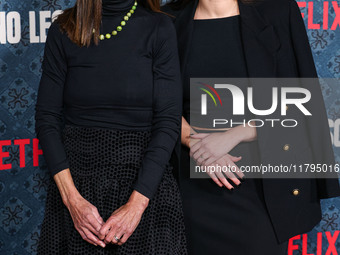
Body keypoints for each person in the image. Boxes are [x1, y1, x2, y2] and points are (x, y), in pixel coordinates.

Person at [163, 0, 340, 254]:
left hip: (262, 189)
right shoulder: (166, 19)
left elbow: (303, 105)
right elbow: (158, 101)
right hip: (192, 190)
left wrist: (236, 133)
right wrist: (195, 143)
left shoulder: (277, 11)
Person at [35, 0, 187, 254]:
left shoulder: (159, 27)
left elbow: (168, 121)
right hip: (78, 192)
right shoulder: (64, 29)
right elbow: (46, 118)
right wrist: (73, 201)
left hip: (144, 188)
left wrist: (136, 205)